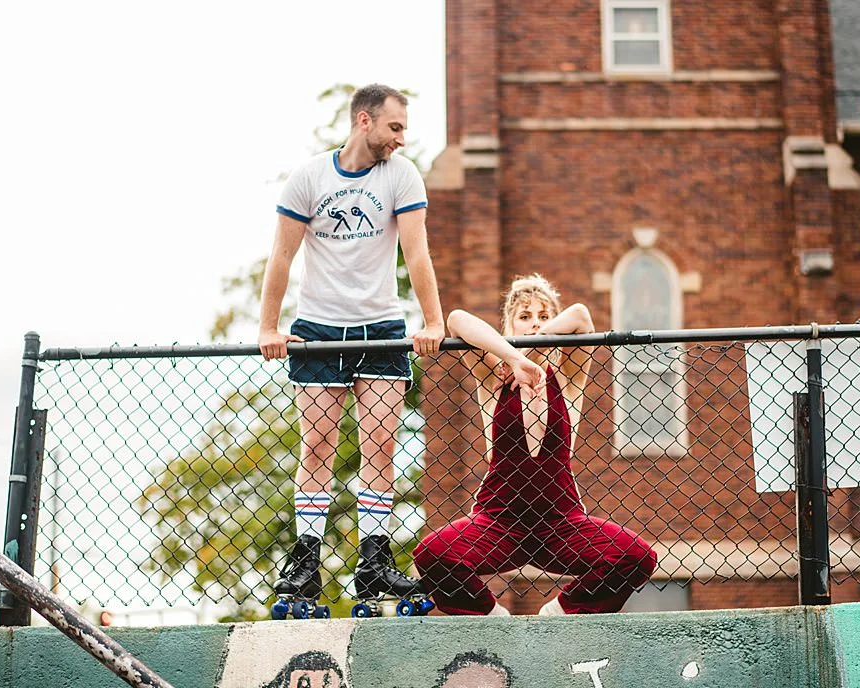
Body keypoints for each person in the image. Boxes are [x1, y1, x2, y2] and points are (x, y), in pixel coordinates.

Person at [258, 83, 444, 607]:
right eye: (394, 127)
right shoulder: (310, 177)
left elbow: (417, 252)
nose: (401, 139)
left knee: (379, 447)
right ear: (364, 122)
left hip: (382, 329)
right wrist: (269, 327)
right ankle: (306, 564)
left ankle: (376, 563)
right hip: (318, 329)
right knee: (316, 446)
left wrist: (431, 320)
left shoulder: (401, 176)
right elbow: (281, 256)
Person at [413, 275, 657, 615]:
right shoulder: (494, 375)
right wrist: (512, 358)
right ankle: (491, 616)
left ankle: (559, 612)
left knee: (638, 557)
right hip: (498, 522)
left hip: (561, 522)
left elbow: (581, 315)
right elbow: (456, 320)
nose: (535, 324)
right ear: (509, 324)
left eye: (543, 316)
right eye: (525, 317)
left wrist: (534, 345)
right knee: (431, 554)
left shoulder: (569, 376)